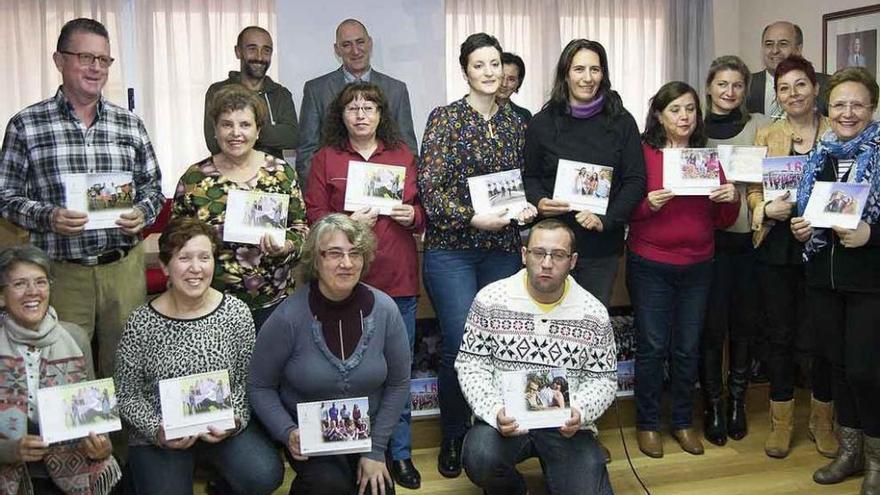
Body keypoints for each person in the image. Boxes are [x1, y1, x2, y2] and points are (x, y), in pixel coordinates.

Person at [0, 18, 164, 379]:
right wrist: (48, 216)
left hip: (122, 270)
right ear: (59, 61)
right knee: (67, 373)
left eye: (104, 60)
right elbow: (5, 196)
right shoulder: (26, 124)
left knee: (127, 370)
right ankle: (78, 440)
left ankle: (126, 438)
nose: (96, 68)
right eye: (86, 57)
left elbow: (153, 188)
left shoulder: (129, 124)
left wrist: (141, 212)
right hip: (62, 271)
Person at [418, 32, 537, 478]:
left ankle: (491, 431)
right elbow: (431, 191)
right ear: (465, 70)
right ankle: (453, 434)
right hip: (453, 251)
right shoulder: (446, 119)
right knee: (460, 343)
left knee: (500, 344)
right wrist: (472, 218)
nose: (489, 73)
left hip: (503, 249)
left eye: (495, 64)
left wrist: (527, 207)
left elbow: (526, 181)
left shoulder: (517, 123)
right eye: (480, 65)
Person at [304, 81, 425, 489]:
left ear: (380, 115)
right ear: (341, 116)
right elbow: (314, 218)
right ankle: (353, 450)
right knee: (346, 371)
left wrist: (415, 215)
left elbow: (425, 210)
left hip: (398, 277)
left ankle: (400, 453)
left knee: (398, 371)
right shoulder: (326, 158)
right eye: (352, 108)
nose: (360, 114)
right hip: (343, 284)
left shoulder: (404, 155)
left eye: (369, 107)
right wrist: (347, 221)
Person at [115, 217, 282, 495]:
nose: (196, 268)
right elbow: (126, 392)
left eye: (204, 257)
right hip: (162, 431)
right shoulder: (141, 321)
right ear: (165, 266)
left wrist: (236, 421)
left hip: (221, 427)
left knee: (264, 475)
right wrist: (157, 431)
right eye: (184, 258)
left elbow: (247, 380)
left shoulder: (236, 313)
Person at [248, 213, 410, 495]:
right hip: (310, 438)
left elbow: (398, 384)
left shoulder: (385, 310)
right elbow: (259, 385)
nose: (347, 263)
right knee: (329, 487)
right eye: (335, 254)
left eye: (355, 253)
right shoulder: (288, 317)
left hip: (367, 434)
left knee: (378, 489)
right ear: (316, 259)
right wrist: (287, 432)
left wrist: (377, 450)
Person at [456, 219, 616, 495]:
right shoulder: (491, 300)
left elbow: (603, 379)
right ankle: (513, 489)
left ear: (573, 261)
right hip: (507, 421)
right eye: (538, 252)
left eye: (558, 255)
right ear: (523, 255)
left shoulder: (594, 313)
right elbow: (471, 364)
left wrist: (581, 411)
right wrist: (495, 411)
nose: (546, 263)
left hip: (565, 425)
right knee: (480, 458)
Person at [630, 81, 740, 458]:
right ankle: (647, 424)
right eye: (675, 109)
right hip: (650, 264)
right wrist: (648, 206)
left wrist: (732, 198)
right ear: (659, 114)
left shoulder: (706, 158)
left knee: (687, 348)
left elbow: (724, 219)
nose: (684, 116)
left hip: (698, 266)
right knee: (652, 347)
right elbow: (625, 208)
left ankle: (681, 421)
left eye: (691, 109)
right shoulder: (643, 154)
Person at [790, 67, 880, 494]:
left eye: (857, 104)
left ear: (872, 108)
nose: (848, 113)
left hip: (870, 283)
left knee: (867, 371)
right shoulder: (821, 154)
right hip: (822, 278)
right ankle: (850, 451)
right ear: (828, 108)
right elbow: (809, 211)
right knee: (840, 367)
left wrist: (871, 233)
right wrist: (800, 228)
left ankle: (877, 461)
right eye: (840, 104)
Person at [746, 55, 837, 459]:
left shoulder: (838, 131)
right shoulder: (767, 135)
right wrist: (765, 210)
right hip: (778, 247)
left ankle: (822, 421)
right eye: (784, 88)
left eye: (800, 85)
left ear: (816, 88)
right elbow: (752, 190)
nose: (793, 94)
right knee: (779, 335)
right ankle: (781, 422)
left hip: (827, 248)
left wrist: (817, 220)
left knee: (821, 337)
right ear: (777, 95)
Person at [523, 38, 646, 308]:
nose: (587, 78)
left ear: (604, 74)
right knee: (546, 325)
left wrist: (607, 219)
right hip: (549, 249)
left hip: (600, 248)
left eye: (595, 69)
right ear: (565, 74)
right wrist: (540, 202)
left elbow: (636, 180)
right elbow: (529, 176)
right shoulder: (542, 123)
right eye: (579, 69)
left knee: (590, 328)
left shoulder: (622, 122)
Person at [174, 84, 307, 330]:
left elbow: (301, 229)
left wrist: (286, 246)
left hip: (273, 305)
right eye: (227, 124)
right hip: (210, 307)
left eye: (245, 124)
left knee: (271, 369)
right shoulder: (194, 179)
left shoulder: (281, 173)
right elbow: (175, 243)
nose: (236, 133)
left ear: (258, 130)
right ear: (215, 130)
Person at [0, 245, 119, 494]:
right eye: (20, 284)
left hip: (69, 465)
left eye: (41, 282)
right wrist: (9, 450)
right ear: (2, 296)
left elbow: (95, 416)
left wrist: (101, 446)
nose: (33, 292)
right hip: (8, 470)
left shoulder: (74, 336)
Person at [700, 55, 771, 447]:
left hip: (748, 243)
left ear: (745, 89)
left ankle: (737, 403)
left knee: (743, 328)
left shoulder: (759, 126)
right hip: (707, 245)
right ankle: (712, 403)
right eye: (722, 84)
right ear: (709, 86)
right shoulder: (695, 130)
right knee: (711, 330)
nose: (729, 92)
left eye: (737, 85)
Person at [297, 19, 417, 190]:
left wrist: (403, 195)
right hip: (333, 193)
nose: (355, 51)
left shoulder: (396, 90)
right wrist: (319, 196)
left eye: (360, 42)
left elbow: (407, 148)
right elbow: (307, 152)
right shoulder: (316, 90)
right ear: (337, 50)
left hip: (384, 191)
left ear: (370, 43)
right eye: (346, 45)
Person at [204, 26, 297, 159]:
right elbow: (214, 142)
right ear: (238, 52)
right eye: (252, 49)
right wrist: (268, 132)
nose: (259, 57)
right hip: (228, 174)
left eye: (266, 50)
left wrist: (241, 129)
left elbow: (292, 137)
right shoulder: (218, 91)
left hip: (272, 176)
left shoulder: (281, 94)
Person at [747, 21, 830, 118]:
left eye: (783, 44)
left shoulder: (827, 85)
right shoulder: (746, 84)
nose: (775, 50)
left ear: (798, 49)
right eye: (769, 44)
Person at [497, 52, 532, 122]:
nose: (504, 84)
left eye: (511, 79)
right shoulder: (473, 111)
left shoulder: (524, 116)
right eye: (501, 77)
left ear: (518, 83)